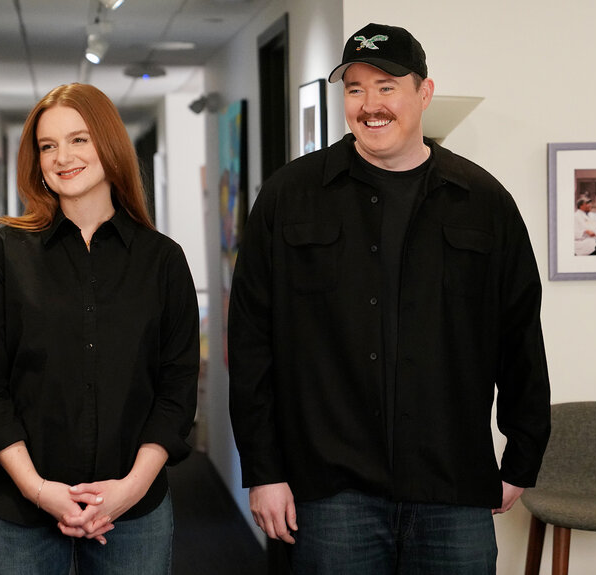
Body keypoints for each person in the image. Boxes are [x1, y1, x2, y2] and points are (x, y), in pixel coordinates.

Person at [228, 23, 551, 574]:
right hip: (331, 491)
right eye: (355, 88)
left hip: (453, 484)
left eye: (386, 86)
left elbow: (519, 334)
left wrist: (523, 457)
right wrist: (264, 469)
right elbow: (252, 341)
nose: (370, 104)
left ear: (423, 93)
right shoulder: (289, 197)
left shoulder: (484, 203)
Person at [0, 83, 199, 574]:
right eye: (48, 146)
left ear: (109, 145)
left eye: (78, 140)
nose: (62, 157)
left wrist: (127, 491)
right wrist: (38, 489)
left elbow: (176, 391)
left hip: (132, 515)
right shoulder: (4, 255)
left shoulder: (162, 261)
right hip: (17, 515)